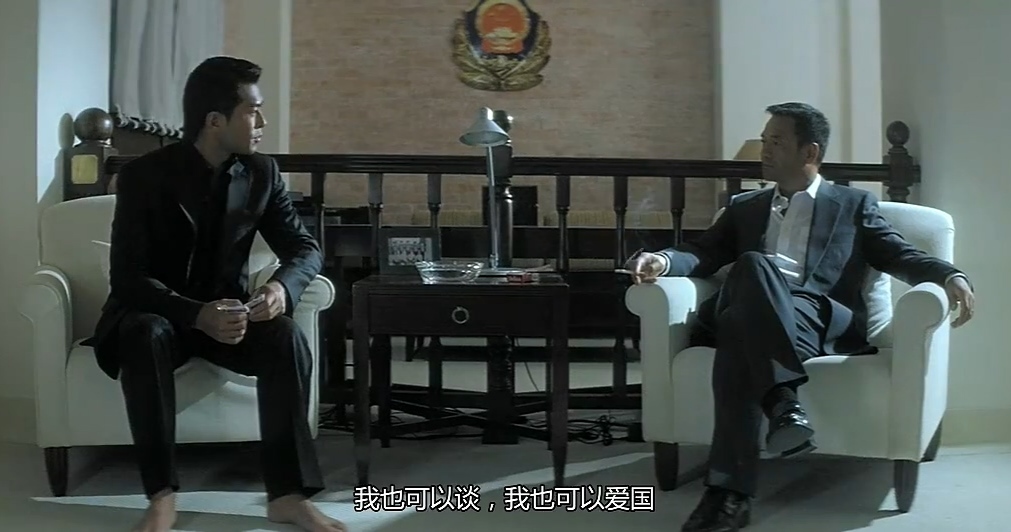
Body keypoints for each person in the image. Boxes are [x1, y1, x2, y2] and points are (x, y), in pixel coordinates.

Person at [626, 102, 976, 532]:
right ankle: (782, 405)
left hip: (811, 317)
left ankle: (729, 496)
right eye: (765, 140)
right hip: (752, 304)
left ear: (809, 152)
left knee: (738, 325)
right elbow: (702, 252)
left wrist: (949, 274)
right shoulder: (744, 206)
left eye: (776, 141)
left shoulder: (853, 205)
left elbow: (898, 254)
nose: (764, 150)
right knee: (753, 267)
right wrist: (662, 260)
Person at [83, 56, 346, 532]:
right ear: (214, 120)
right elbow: (127, 278)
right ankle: (161, 495)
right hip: (160, 315)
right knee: (144, 332)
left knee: (285, 336)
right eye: (253, 111)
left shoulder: (262, 173)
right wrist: (194, 313)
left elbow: (305, 249)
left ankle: (288, 495)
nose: (262, 123)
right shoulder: (145, 177)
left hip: (228, 320)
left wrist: (280, 288)